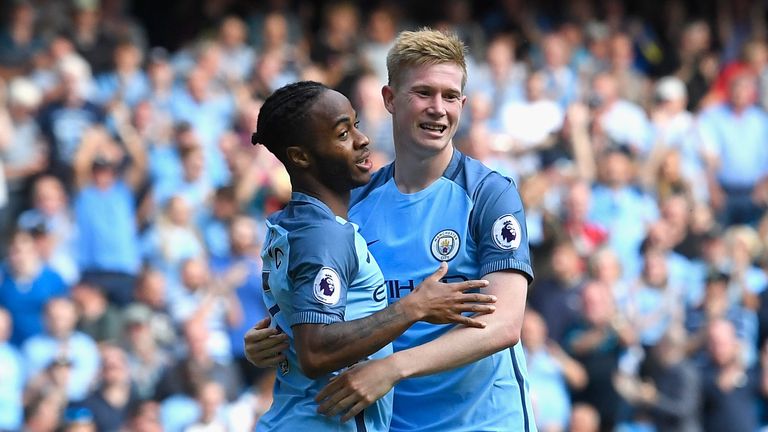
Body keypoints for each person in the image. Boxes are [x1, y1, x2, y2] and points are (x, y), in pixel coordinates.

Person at [247, 29, 536, 431]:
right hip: (391, 422)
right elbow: (335, 316)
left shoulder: (489, 194)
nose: (438, 108)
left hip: (483, 422)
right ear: (389, 99)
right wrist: (276, 341)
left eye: (450, 96)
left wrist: (393, 369)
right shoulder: (354, 205)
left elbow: (503, 324)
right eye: (423, 93)